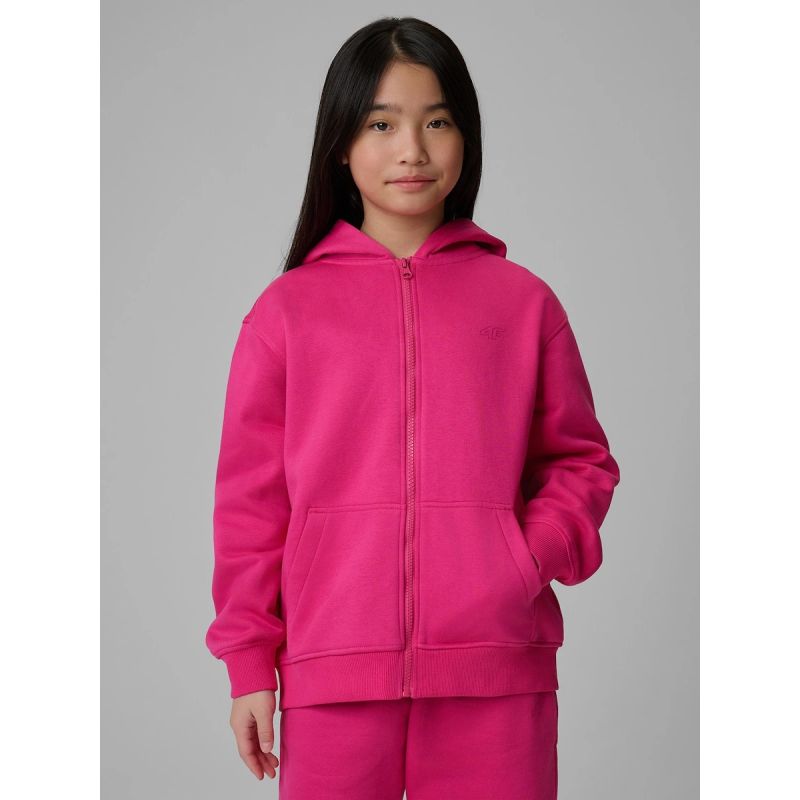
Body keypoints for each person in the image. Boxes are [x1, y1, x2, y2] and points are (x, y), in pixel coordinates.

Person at [205, 15, 621, 799]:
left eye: (437, 121)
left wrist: (521, 560)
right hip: (333, 675)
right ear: (340, 142)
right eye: (381, 124)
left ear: (465, 135)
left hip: (496, 673)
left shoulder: (523, 304)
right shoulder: (286, 313)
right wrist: (249, 663)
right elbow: (251, 505)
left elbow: (581, 462)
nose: (413, 150)